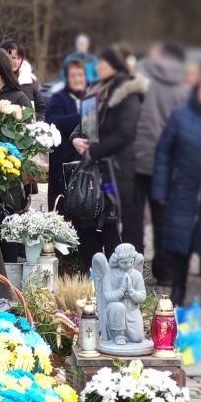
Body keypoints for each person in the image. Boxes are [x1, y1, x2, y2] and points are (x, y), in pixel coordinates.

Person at [151, 70, 201, 309]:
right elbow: (163, 151)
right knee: (180, 244)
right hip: (183, 190)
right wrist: (160, 187)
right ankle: (178, 290)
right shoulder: (181, 114)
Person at [70, 48, 144, 264]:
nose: (98, 66)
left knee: (110, 224)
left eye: (103, 62)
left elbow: (126, 133)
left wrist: (95, 150)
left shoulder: (128, 92)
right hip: (92, 170)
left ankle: (119, 275)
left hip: (115, 170)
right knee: (86, 223)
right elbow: (83, 125)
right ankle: (92, 277)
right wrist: (75, 140)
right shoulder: (96, 90)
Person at [131, 41, 191, 282]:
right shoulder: (184, 87)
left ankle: (132, 267)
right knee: (163, 217)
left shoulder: (140, 75)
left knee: (134, 216)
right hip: (168, 161)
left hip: (138, 156)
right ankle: (165, 270)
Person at [45, 59, 87, 206]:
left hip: (84, 162)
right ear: (67, 78)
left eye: (80, 75)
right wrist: (83, 117)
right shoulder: (58, 98)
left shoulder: (90, 96)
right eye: (73, 75)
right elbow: (52, 122)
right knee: (62, 204)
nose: (77, 79)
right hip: (62, 161)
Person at [1, 38, 42, 111]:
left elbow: (40, 107)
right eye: (13, 58)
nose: (16, 62)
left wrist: (37, 118)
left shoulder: (28, 79)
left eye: (19, 58)